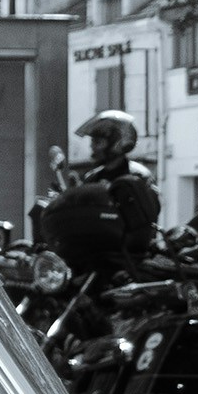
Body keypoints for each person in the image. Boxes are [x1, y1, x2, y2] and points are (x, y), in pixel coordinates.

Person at [45, 109, 162, 279]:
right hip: (96, 249)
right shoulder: (93, 176)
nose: (92, 146)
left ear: (118, 142)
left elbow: (149, 215)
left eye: (98, 141)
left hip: (127, 253)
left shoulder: (138, 176)